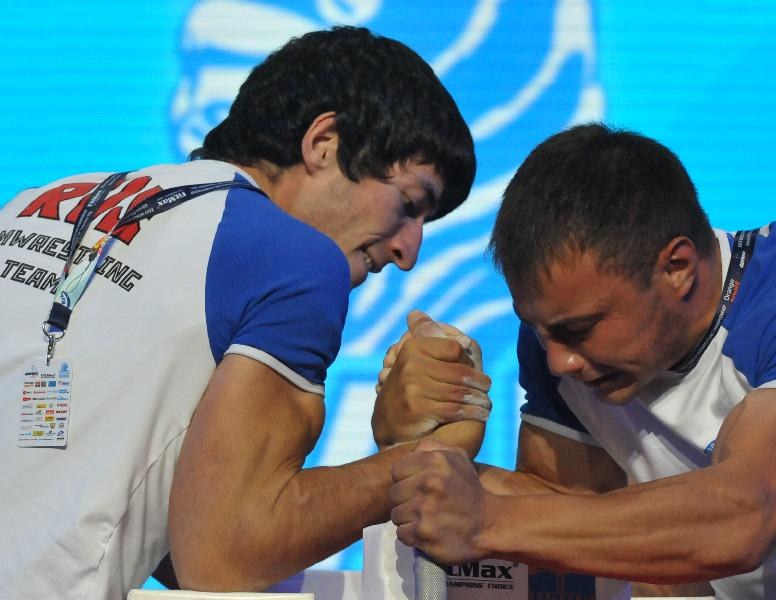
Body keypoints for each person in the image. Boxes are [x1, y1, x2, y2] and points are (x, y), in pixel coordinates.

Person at [0, 26, 491, 599]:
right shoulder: (298, 259)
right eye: (409, 204)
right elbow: (222, 559)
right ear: (324, 143)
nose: (408, 252)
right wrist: (428, 459)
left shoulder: (34, 203)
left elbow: (169, 544)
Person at [382, 123, 776, 598]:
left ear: (676, 267)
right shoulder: (559, 341)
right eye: (542, 332)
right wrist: (417, 446)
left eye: (577, 330)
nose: (560, 361)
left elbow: (745, 515)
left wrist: (482, 520)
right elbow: (564, 511)